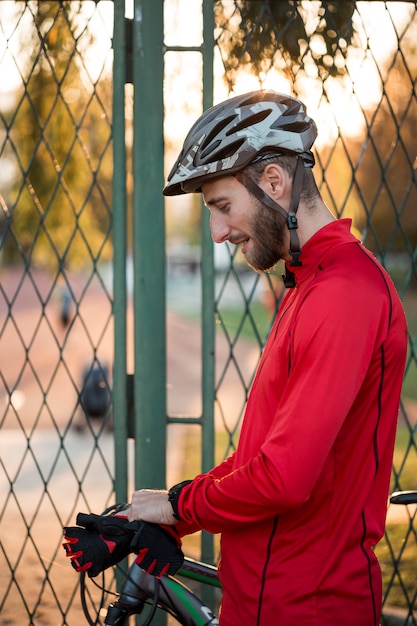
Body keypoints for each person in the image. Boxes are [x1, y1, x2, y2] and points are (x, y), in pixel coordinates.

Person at [127, 90, 408, 626]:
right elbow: (263, 455)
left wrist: (180, 506)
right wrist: (173, 509)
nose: (216, 233)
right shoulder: (308, 285)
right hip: (264, 604)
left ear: (274, 183)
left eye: (222, 206)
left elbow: (284, 478)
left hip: (311, 610)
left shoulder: (344, 292)